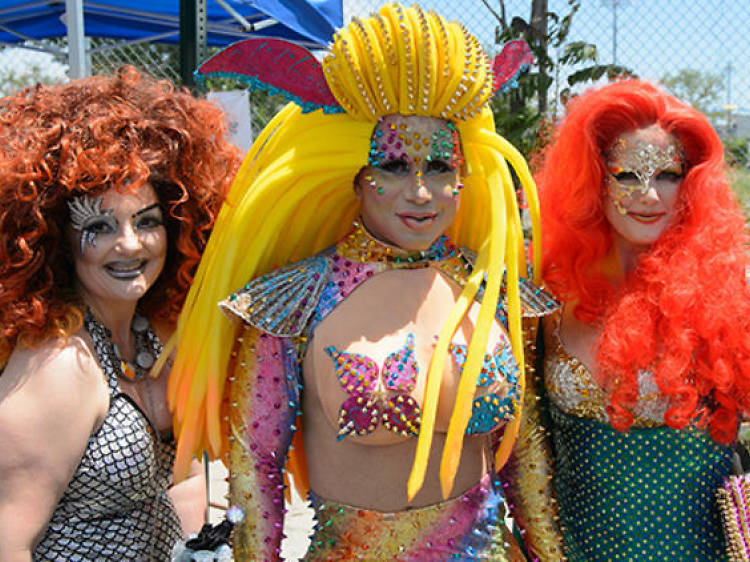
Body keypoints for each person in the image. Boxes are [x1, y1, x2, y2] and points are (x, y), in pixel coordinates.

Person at [167, 3, 553, 560]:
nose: (420, 193)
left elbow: (525, 459)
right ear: (356, 176)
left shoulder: (490, 289)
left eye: (440, 169)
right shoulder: (297, 300)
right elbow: (256, 465)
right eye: (395, 168)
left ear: (464, 178)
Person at [0, 66, 239, 560]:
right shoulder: (60, 366)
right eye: (100, 226)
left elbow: (185, 482)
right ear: (56, 238)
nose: (129, 244)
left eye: (147, 221)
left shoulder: (158, 336)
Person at [508, 79, 750, 561]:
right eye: (625, 175)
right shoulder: (544, 297)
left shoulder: (732, 294)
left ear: (693, 183)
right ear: (592, 180)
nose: (649, 195)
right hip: (573, 551)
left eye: (668, 175)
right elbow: (524, 451)